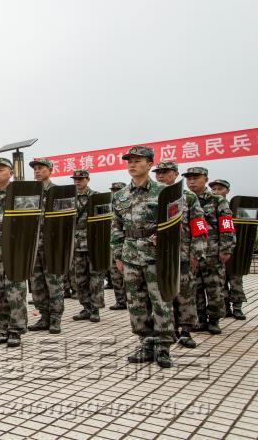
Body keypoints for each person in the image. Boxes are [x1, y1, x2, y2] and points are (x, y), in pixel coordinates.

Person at [111, 146, 174, 368]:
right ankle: (146, 343)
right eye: (129, 160)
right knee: (136, 303)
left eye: (138, 160)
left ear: (150, 164)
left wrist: (165, 238)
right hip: (130, 256)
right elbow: (116, 227)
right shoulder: (120, 195)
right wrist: (118, 255)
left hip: (155, 255)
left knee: (160, 301)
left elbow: (175, 224)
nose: (132, 164)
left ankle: (164, 347)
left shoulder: (164, 192)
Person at [153, 162, 207, 348]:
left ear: (175, 174)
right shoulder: (152, 195)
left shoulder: (189, 197)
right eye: (158, 173)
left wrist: (196, 253)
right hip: (156, 256)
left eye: (165, 172)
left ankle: (185, 331)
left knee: (185, 294)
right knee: (163, 294)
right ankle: (168, 329)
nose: (160, 176)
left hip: (182, 255)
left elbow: (199, 226)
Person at [0, 158, 29, 347]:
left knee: (15, 292)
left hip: (14, 252)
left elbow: (30, 224)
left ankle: (16, 331)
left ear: (11, 172)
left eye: (1, 169)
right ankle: (2, 330)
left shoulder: (20, 195)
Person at [183, 167, 236, 335]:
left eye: (196, 178)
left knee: (215, 288)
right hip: (192, 253)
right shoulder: (184, 199)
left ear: (205, 179)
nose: (191, 181)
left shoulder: (217, 200)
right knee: (194, 288)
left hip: (213, 251)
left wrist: (226, 248)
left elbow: (226, 225)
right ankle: (199, 319)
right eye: (189, 178)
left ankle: (214, 319)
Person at [27, 158, 65, 334]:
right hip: (34, 246)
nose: (37, 171)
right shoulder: (30, 194)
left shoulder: (58, 192)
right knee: (37, 284)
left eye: (41, 168)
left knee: (54, 282)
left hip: (53, 245)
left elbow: (65, 220)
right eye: (35, 169)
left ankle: (55, 319)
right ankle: (44, 317)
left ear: (50, 170)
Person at [70, 169, 105, 323]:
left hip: (94, 243)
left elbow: (104, 220)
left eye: (81, 179)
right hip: (77, 245)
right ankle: (86, 307)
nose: (77, 181)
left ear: (87, 180)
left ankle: (95, 309)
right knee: (79, 278)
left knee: (95, 277)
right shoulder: (70, 198)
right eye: (75, 179)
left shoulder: (97, 197)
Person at [209, 179, 247, 320]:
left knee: (236, 280)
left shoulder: (235, 208)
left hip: (235, 251)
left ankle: (237, 308)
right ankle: (226, 308)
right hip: (216, 250)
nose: (216, 192)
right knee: (221, 281)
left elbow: (246, 227)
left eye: (220, 189)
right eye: (214, 189)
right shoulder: (208, 208)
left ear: (227, 191)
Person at [107, 182, 128, 310]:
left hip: (128, 245)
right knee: (115, 274)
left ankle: (130, 300)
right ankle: (120, 301)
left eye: (118, 190)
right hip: (113, 245)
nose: (115, 192)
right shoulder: (108, 207)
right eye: (113, 190)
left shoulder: (127, 205)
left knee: (128, 276)